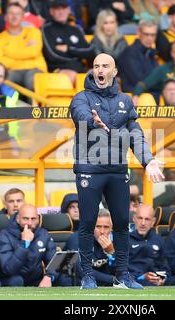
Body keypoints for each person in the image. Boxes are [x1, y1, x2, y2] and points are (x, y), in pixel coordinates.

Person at [70, 53, 165, 289]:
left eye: (105, 66)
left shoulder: (125, 100)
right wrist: (94, 122)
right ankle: (88, 276)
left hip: (117, 169)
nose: (100, 70)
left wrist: (148, 160)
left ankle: (123, 275)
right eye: (96, 66)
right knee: (88, 222)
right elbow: (80, 116)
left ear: (114, 71)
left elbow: (136, 133)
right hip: (89, 169)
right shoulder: (81, 98)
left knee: (122, 222)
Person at [0, 204, 57, 287]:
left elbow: (53, 261)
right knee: (16, 280)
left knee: (62, 278)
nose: (29, 223)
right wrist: (24, 243)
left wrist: (49, 277)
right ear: (18, 219)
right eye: (25, 219)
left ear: (38, 219)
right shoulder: (4, 236)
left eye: (33, 219)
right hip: (8, 279)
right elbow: (9, 269)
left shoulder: (43, 234)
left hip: (35, 279)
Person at [0, 2, 47, 91]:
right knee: (5, 80)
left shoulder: (33, 32)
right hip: (12, 71)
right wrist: (25, 52)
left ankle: (34, 105)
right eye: (11, 13)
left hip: (35, 69)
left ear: (23, 17)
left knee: (31, 80)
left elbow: (33, 52)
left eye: (18, 14)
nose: (14, 16)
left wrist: (8, 53)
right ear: (5, 17)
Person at [42, 0, 94, 84]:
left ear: (69, 10)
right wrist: (77, 54)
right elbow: (52, 55)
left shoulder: (76, 29)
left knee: (98, 75)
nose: (61, 12)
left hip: (79, 67)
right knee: (71, 76)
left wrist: (68, 49)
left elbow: (89, 52)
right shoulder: (46, 29)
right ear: (51, 11)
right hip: (58, 68)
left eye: (64, 8)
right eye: (57, 9)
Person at [64, 209, 117, 286]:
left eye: (106, 227)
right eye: (98, 227)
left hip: (106, 286)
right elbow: (82, 271)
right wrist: (114, 280)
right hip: (80, 285)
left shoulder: (116, 241)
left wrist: (112, 253)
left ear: (111, 228)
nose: (102, 231)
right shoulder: (77, 239)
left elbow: (120, 270)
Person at [129, 204, 172, 286]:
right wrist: (142, 277)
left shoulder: (159, 240)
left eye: (147, 219)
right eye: (140, 218)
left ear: (153, 221)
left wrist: (163, 279)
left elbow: (166, 267)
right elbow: (119, 269)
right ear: (134, 219)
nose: (143, 223)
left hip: (155, 282)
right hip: (133, 282)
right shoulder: (125, 240)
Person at [117, 19, 158, 93]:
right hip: (135, 96)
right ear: (139, 33)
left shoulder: (151, 52)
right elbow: (139, 81)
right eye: (146, 34)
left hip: (150, 93)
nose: (149, 38)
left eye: (153, 35)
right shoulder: (129, 52)